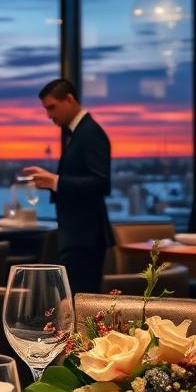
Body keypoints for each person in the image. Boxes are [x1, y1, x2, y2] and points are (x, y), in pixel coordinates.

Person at [23, 78, 114, 297]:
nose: (49, 115)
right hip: (78, 234)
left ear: (70, 99)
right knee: (73, 303)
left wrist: (56, 181)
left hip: (85, 237)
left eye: (52, 107)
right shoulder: (80, 133)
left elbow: (101, 183)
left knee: (79, 304)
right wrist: (51, 182)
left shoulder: (90, 133)